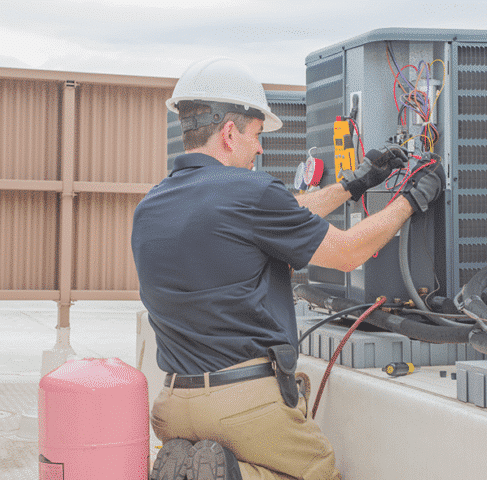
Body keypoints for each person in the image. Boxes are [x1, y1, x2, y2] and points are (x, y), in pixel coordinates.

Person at [131, 57, 445, 480]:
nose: (261, 149)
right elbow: (349, 251)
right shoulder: (251, 192)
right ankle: (234, 475)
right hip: (243, 404)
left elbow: (285, 214)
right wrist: (411, 198)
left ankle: (194, 468)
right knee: (317, 473)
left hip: (173, 405)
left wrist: (356, 183)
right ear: (229, 133)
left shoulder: (152, 205)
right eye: (257, 136)